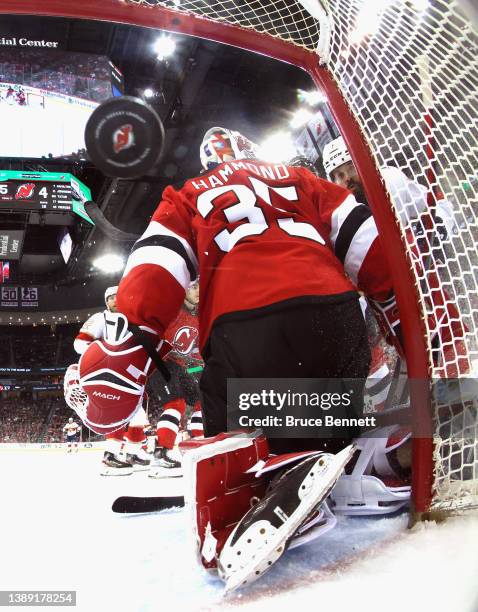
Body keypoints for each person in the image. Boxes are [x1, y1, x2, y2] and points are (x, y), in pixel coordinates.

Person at [78, 127, 410, 590]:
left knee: (227, 417)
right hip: (334, 316)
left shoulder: (189, 193)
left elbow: (157, 263)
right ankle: (354, 455)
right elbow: (366, 240)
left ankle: (258, 481)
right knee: (330, 393)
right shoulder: (301, 178)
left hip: (245, 326)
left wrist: (131, 338)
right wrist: (401, 307)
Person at [73, 286, 152, 475]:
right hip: (108, 375)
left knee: (138, 415)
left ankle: (132, 453)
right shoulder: (101, 318)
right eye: (111, 298)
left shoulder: (135, 320)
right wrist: (106, 355)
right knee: (117, 413)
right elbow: (80, 344)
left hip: (129, 376)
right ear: (106, 301)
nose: (115, 301)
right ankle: (110, 455)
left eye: (119, 297)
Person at [149, 279, 204, 478]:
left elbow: (196, 356)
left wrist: (202, 368)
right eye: (194, 286)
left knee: (202, 401)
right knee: (176, 405)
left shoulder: (200, 315)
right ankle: (160, 455)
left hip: (184, 367)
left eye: (200, 286)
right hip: (162, 363)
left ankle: (199, 449)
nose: (198, 291)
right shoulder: (170, 310)